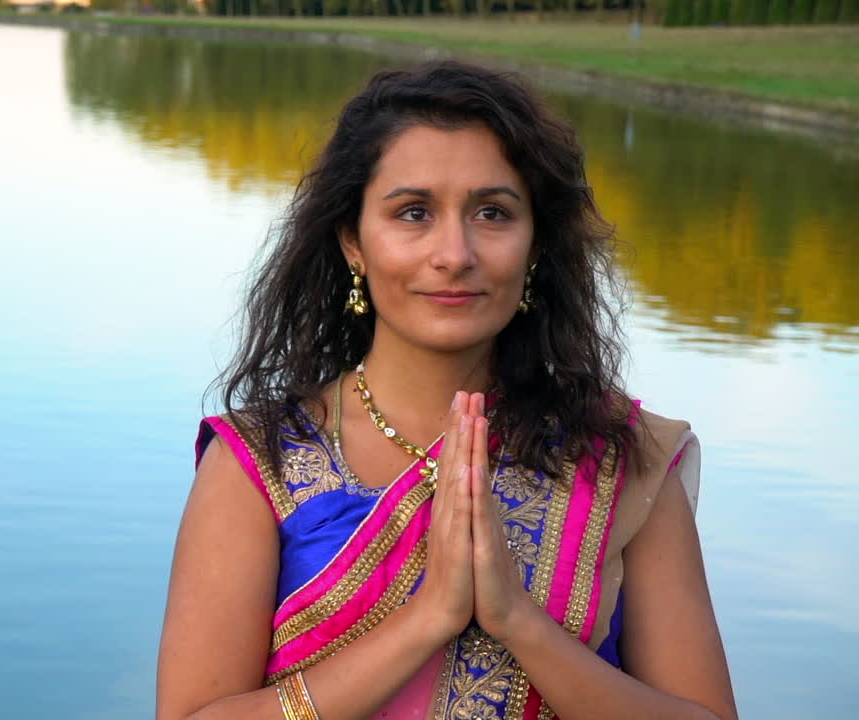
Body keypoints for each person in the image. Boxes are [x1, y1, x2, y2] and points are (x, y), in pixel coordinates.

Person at [156, 60, 737, 720]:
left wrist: (519, 621)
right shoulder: (260, 462)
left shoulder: (620, 461)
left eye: (493, 212)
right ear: (353, 242)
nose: (455, 253)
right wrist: (429, 617)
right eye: (413, 213)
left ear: (534, 246)